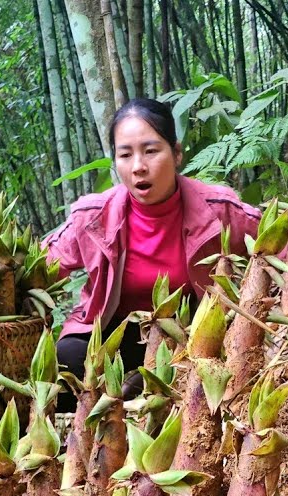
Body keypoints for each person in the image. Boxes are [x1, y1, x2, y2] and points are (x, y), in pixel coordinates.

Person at [43, 98, 261, 405]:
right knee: (66, 365)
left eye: (151, 151)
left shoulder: (219, 210)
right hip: (115, 335)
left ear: (177, 153)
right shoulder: (94, 216)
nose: (138, 167)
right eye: (125, 154)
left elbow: (279, 241)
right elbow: (40, 268)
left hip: (190, 336)